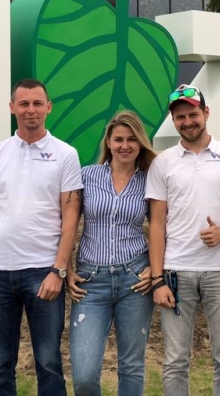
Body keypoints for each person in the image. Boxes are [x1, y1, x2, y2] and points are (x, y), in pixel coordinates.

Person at [0, 78, 83, 396]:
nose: (30, 110)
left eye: (37, 103)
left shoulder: (66, 154)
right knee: (1, 364)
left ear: (48, 107)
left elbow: (70, 217)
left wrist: (59, 270)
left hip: (43, 272)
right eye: (23, 104)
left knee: (49, 362)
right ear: (12, 108)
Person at [146, 84, 220, 396]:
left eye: (193, 114)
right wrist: (157, 279)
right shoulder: (162, 162)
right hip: (176, 272)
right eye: (180, 117)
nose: (187, 121)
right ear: (173, 120)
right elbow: (156, 225)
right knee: (175, 360)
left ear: (206, 112)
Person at [66, 111, 156, 396]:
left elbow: (161, 227)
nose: (125, 145)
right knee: (84, 375)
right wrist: (66, 268)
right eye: (119, 139)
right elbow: (67, 223)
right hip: (90, 282)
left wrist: (157, 268)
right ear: (108, 141)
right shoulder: (87, 176)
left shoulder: (150, 180)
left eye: (132, 139)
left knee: (131, 367)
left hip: (135, 279)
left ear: (140, 143)